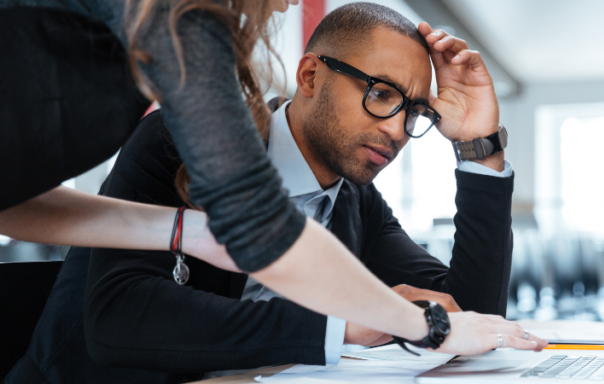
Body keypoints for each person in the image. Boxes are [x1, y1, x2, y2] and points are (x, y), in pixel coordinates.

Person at [7, 4, 544, 382]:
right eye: (381, 94)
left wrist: (480, 150)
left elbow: (468, 322)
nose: (399, 130)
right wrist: (346, 325)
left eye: (415, 111)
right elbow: (117, 320)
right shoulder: (180, 137)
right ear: (310, 75)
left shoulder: (353, 200)